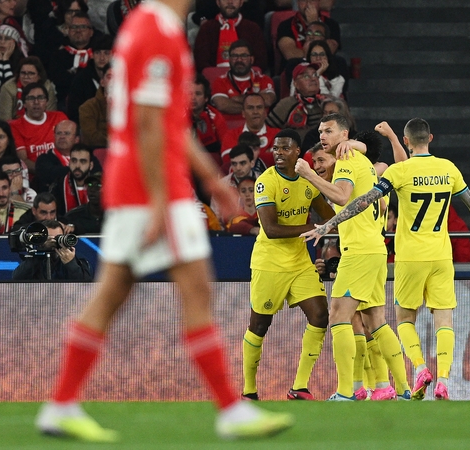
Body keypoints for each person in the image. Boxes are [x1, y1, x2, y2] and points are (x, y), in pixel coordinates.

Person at [34, 0, 293, 441]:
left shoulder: (148, 25)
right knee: (191, 289)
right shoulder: (157, 30)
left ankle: (61, 404)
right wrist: (159, 202)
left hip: (142, 182)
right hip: (152, 186)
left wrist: (212, 180)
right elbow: (150, 124)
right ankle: (231, 410)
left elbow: (168, 124)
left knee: (114, 293)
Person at [302, 118, 470, 401]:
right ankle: (442, 380)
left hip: (408, 256)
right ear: (431, 138)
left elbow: (361, 200)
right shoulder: (448, 168)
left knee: (402, 320)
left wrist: (328, 225)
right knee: (443, 321)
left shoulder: (400, 171)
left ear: (406, 141)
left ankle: (417, 369)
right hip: (442, 255)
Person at [293, 114, 412, 401]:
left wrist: (309, 174)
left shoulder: (346, 160)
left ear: (344, 134)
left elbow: (344, 196)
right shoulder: (363, 163)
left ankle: (346, 391)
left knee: (339, 316)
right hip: (374, 249)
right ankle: (397, 388)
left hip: (359, 251)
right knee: (376, 320)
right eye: (321, 131)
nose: (323, 135)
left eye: (329, 131)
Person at [242, 129, 335, 401]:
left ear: (297, 152)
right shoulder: (266, 181)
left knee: (320, 315)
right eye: (275, 148)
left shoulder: (308, 181)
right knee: (259, 325)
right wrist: (315, 228)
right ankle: (249, 390)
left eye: (285, 149)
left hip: (299, 263)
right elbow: (270, 229)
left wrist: (336, 190)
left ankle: (300, 386)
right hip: (269, 263)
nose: (278, 153)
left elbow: (331, 215)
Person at [209, 40, 276, 123]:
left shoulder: (264, 79)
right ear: (229, 59)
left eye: (243, 56)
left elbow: (268, 100)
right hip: (228, 129)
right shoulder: (219, 81)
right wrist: (256, 107)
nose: (239, 60)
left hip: (259, 127)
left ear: (251, 59)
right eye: (234, 56)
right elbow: (222, 106)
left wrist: (237, 99)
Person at [192, 0, 267, 73]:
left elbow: (261, 62)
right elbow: (200, 62)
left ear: (241, 3)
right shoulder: (207, 28)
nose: (230, 2)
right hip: (214, 80)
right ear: (218, 3)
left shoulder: (253, 28)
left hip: (247, 79)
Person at [10, 82, 69, 173]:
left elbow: (72, 146)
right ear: (24, 104)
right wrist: (51, 172)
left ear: (46, 102)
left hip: (65, 170)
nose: (36, 102)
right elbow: (23, 161)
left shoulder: (59, 117)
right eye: (31, 98)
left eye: (41, 98)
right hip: (37, 176)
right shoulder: (15, 126)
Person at [11, 219, 93, 280]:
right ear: (41, 239)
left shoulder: (76, 258)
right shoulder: (34, 258)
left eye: (57, 237)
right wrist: (38, 254)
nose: (53, 241)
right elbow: (16, 279)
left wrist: (71, 264)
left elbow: (86, 285)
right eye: (49, 238)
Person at [219, 93, 279, 172]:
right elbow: (228, 161)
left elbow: (278, 161)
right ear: (243, 113)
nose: (255, 112)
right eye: (250, 108)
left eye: (259, 107)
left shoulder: (278, 134)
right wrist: (265, 154)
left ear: (265, 112)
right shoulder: (231, 135)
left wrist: (242, 155)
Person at [266, 62, 324, 142]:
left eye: (315, 75)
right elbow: (267, 129)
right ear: (296, 84)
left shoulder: (326, 102)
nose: (313, 79)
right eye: (306, 76)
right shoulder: (286, 104)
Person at [0, 56, 58, 121]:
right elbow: (5, 120)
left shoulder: (47, 87)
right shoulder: (8, 88)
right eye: (23, 73)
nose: (26, 77)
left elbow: (51, 117)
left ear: (39, 75)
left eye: (31, 73)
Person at [191, 74, 227, 159]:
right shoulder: (178, 115)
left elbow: (225, 144)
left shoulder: (215, 116)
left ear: (206, 98)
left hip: (210, 161)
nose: (193, 98)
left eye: (198, 94)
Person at [53, 144, 94, 216]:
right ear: (69, 163)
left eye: (83, 161)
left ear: (91, 166)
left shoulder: (98, 187)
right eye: (74, 161)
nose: (77, 166)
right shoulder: (58, 186)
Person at [78, 63, 110, 148]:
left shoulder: (131, 107)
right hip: (96, 153)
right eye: (109, 77)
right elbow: (92, 137)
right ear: (102, 82)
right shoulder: (87, 107)